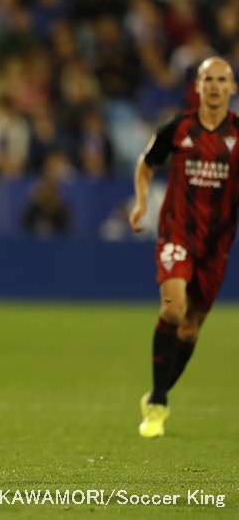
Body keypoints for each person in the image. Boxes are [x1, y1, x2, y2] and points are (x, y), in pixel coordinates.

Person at [129, 57, 239, 438]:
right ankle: (158, 403)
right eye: (208, 78)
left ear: (232, 88)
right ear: (197, 85)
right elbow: (147, 163)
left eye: (222, 79)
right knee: (173, 308)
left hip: (216, 244)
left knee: (191, 330)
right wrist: (142, 202)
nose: (214, 85)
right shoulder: (180, 126)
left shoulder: (238, 136)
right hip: (177, 234)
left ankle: (158, 392)